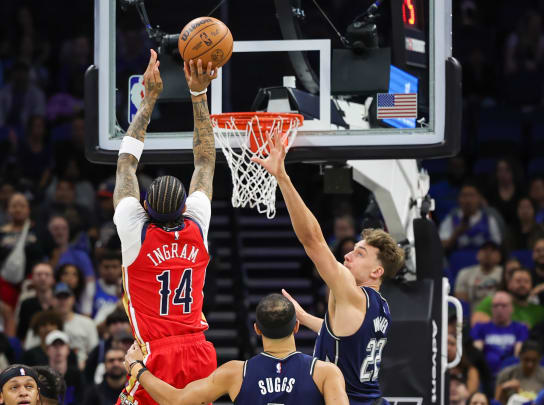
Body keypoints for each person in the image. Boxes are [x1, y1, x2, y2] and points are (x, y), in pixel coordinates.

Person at [252, 132, 404, 404]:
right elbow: (345, 335)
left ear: (376, 271)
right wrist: (305, 316)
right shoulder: (381, 306)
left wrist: (282, 177)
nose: (347, 256)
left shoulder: (350, 292)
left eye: (360, 253)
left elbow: (312, 241)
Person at [112, 51, 218, 405]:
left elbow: (126, 164)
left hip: (157, 354)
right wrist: (198, 94)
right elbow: (204, 159)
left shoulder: (134, 230)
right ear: (184, 207)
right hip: (201, 351)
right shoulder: (196, 223)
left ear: (145, 207)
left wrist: (149, 98)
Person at [124, 293, 348, 405]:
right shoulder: (325, 372)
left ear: (257, 330)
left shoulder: (235, 373)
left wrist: (136, 368)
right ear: (297, 327)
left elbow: (176, 400)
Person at [471, 291, 529, 377]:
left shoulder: (520, 328)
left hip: (510, 374)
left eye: (504, 305)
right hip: (486, 374)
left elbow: (518, 355)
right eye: (496, 306)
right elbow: (477, 353)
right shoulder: (480, 327)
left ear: (512, 308)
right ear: (491, 309)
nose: (499, 309)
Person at [472, 269, 544, 328]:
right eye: (518, 281)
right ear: (509, 284)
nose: (522, 285)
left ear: (531, 285)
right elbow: (476, 324)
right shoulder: (494, 301)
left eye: (526, 281)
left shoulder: (539, 311)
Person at [52, 283, 97, 369]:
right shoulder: (45, 323)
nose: (62, 301)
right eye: (58, 297)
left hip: (82, 369)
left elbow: (94, 352)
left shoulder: (88, 323)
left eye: (66, 297)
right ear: (52, 300)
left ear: (73, 299)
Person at [454, 241, 503, 307]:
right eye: (484, 249)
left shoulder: (504, 273)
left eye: (493, 250)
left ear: (499, 256)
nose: (488, 253)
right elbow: (461, 304)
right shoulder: (464, 273)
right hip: (472, 315)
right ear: (477, 255)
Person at [17, 263, 55, 341]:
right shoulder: (26, 304)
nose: (43, 278)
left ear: (53, 279)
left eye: (47, 275)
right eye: (39, 274)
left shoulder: (61, 302)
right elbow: (22, 333)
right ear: (32, 279)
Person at [43, 331, 82, 405]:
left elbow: (82, 399)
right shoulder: (40, 376)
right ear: (47, 350)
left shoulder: (77, 375)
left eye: (61, 344)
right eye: (54, 345)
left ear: (68, 350)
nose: (58, 349)